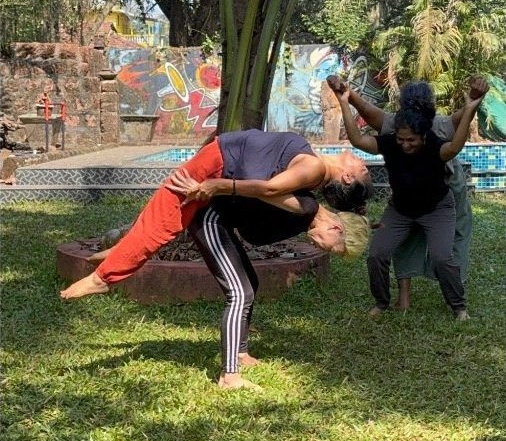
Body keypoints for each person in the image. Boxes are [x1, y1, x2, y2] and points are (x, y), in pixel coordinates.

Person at [60, 129, 371, 388]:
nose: (323, 249)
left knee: (244, 281)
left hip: (219, 191)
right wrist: (215, 186)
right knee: (231, 285)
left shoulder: (307, 201)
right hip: (214, 198)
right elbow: (267, 188)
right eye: (332, 246)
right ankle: (229, 375)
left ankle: (240, 353)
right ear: (336, 226)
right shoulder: (307, 200)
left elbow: (258, 209)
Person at [329, 76, 487, 319]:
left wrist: (470, 107)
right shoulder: (393, 136)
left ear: (423, 136)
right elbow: (358, 139)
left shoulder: (435, 142)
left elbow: (455, 146)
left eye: (411, 140)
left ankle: (459, 307)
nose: (405, 144)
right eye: (401, 139)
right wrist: (343, 100)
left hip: (437, 209)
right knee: (377, 255)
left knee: (442, 257)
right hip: (400, 209)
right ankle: (382, 303)